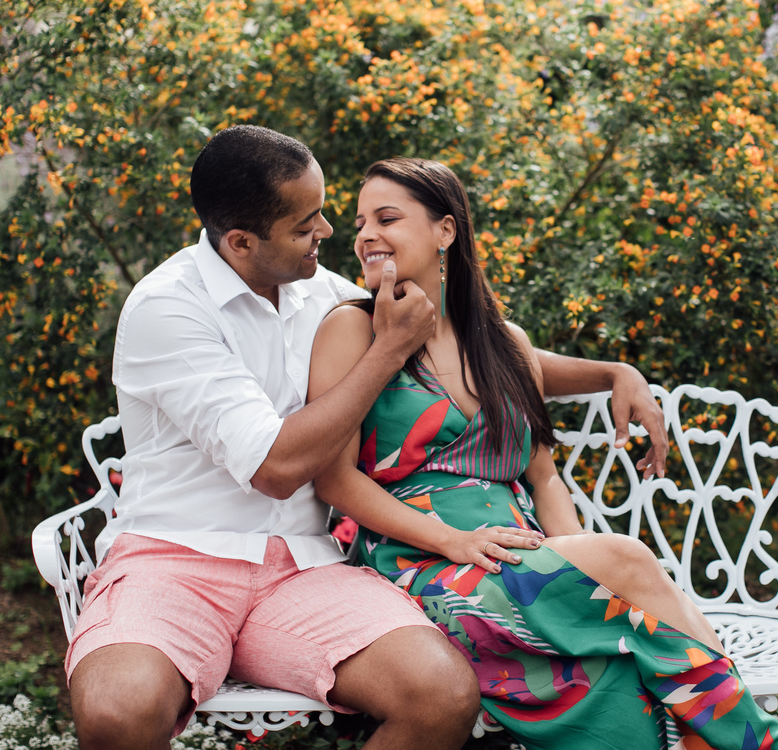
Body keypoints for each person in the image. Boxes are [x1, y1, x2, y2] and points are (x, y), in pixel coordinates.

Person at [66, 126, 671, 750]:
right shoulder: (169, 307)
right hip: (178, 560)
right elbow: (276, 466)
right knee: (120, 712)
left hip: (303, 568)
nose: (328, 233)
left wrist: (610, 374)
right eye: (306, 225)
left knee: (439, 694)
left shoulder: (323, 292)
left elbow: (459, 346)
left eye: (325, 213)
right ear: (242, 242)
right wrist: (386, 351)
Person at [308, 157, 778, 750]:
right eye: (359, 223)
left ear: (445, 231)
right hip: (413, 566)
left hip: (516, 559)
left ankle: (705, 742)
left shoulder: (506, 345)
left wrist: (570, 560)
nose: (365, 235)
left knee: (613, 674)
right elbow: (335, 483)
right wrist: (452, 539)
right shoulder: (351, 331)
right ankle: (762, 746)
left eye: (387, 217)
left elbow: (545, 479)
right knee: (627, 562)